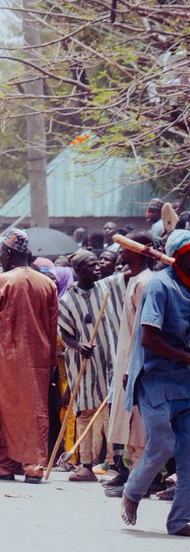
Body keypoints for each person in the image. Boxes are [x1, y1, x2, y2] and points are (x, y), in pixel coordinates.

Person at [120, 229, 190, 536]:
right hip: (155, 381)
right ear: (179, 259)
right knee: (162, 445)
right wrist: (185, 356)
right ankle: (132, 492)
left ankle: (179, 521)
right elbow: (149, 338)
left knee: (188, 455)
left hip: (185, 385)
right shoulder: (160, 286)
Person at [0, 229, 59, 483]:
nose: (0, 257)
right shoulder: (48, 283)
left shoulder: (4, 281)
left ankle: (5, 464)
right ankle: (34, 466)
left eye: (2, 253)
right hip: (39, 359)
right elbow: (52, 324)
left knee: (3, 410)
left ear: (9, 254)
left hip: (7, 359)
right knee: (35, 411)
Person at [58, 249, 122, 482]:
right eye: (91, 265)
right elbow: (64, 334)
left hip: (110, 363)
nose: (97, 268)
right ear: (77, 271)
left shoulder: (108, 289)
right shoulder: (67, 300)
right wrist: (77, 345)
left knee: (108, 413)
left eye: (98, 264)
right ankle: (85, 465)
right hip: (83, 363)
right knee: (84, 412)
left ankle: (113, 463)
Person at [104, 231, 155, 496]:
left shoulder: (146, 283)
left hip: (135, 367)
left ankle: (139, 483)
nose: (121, 251)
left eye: (126, 246)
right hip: (127, 364)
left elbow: (141, 332)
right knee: (132, 427)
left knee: (139, 428)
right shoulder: (135, 280)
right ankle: (133, 479)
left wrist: (129, 369)